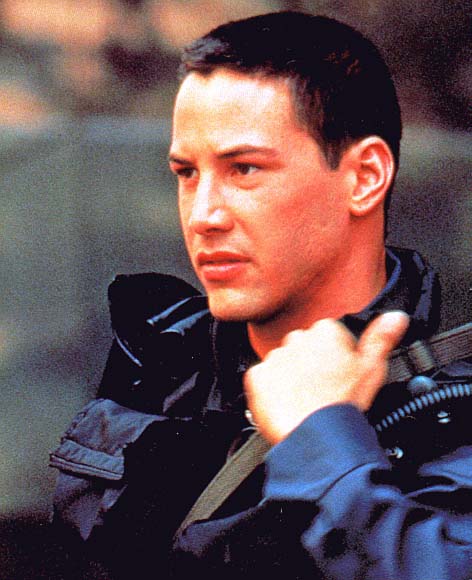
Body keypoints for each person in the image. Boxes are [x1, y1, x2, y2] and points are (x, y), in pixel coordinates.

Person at [50, 11, 472, 580]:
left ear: (365, 176)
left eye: (244, 169)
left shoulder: (452, 419)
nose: (203, 216)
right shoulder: (162, 376)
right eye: (186, 173)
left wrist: (319, 437)